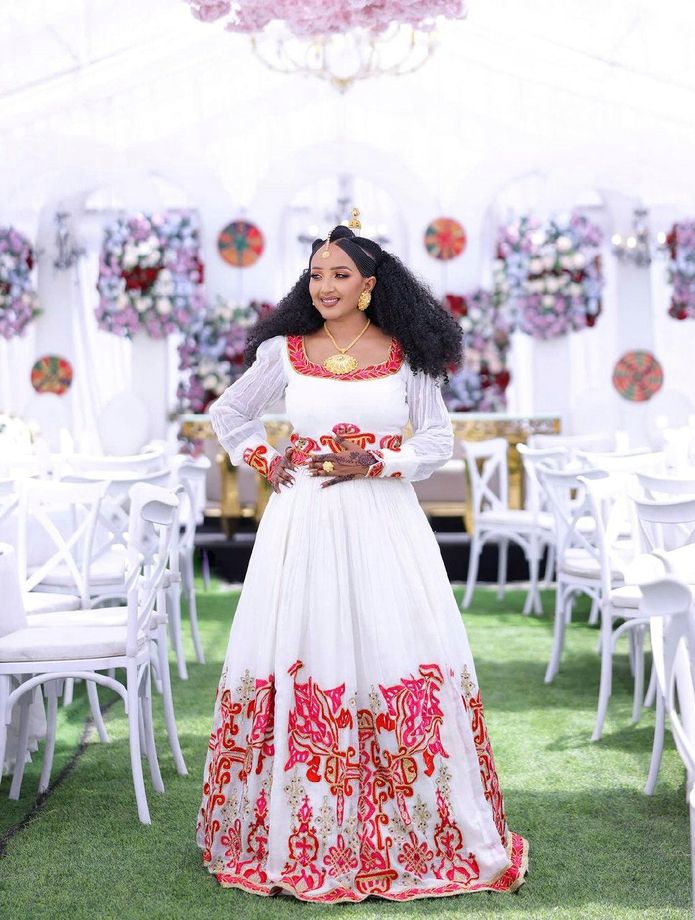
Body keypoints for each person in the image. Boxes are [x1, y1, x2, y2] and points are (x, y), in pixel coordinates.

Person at [196, 212, 528, 903]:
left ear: (370, 284)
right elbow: (230, 414)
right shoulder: (285, 351)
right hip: (305, 521)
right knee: (305, 648)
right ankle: (298, 832)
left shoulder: (406, 353)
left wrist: (377, 460)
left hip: (383, 524)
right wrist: (267, 458)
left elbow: (436, 441)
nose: (324, 286)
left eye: (339, 275)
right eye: (316, 274)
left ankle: (414, 830)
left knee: (392, 649)